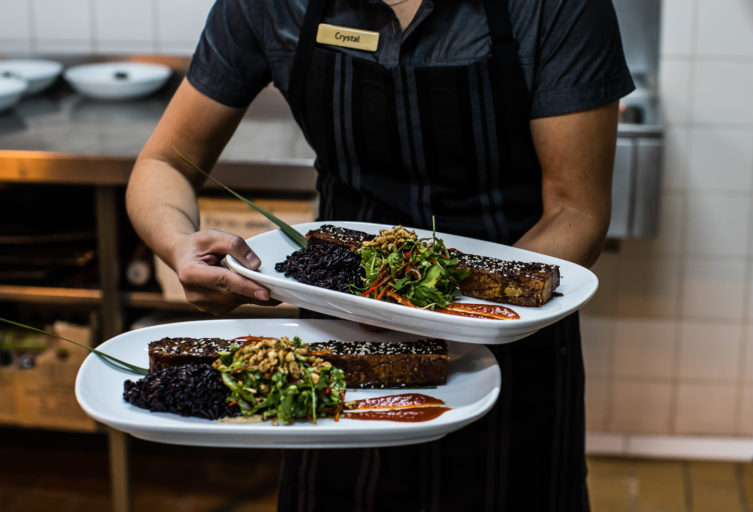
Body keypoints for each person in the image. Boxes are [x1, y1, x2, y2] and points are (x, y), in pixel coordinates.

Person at [126, 0, 634, 510]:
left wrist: (451, 314)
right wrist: (177, 243)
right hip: (340, 343)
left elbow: (577, 209)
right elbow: (165, 160)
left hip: (506, 327)